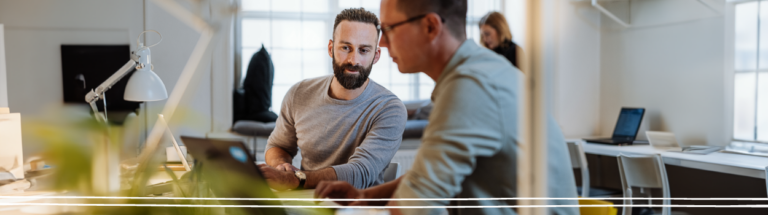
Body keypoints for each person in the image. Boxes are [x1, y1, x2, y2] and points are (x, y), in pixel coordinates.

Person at [314, 0, 578, 215]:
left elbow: (413, 207)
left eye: (390, 28)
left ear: (430, 26)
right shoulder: (474, 71)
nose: (382, 43)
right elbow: (422, 179)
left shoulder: (471, 87)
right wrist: (364, 197)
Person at [257, 8, 408, 191]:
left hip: (357, 208)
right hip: (305, 203)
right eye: (346, 48)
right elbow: (278, 146)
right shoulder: (299, 94)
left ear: (376, 56)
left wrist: (295, 179)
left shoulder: (390, 109)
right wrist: (281, 165)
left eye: (364, 50)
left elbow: (359, 173)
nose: (354, 60)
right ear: (331, 48)